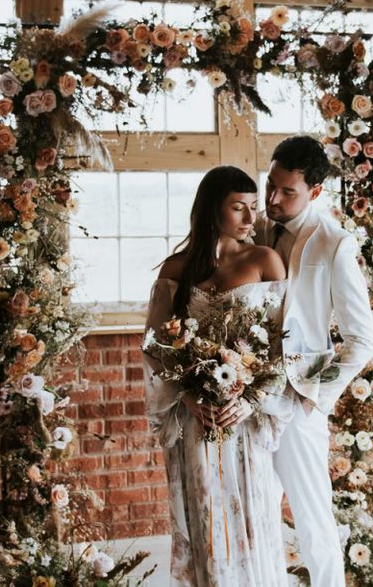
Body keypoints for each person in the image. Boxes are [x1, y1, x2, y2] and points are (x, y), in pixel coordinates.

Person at [143, 165, 291, 586]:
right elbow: (156, 346)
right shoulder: (176, 269)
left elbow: (282, 345)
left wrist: (250, 400)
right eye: (238, 208)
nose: (250, 219)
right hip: (197, 418)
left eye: (253, 208)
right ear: (212, 210)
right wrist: (185, 397)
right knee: (205, 512)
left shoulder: (265, 261)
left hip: (245, 419)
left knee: (252, 512)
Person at [253, 135, 373, 587]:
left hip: (298, 400)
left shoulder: (334, 244)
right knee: (256, 512)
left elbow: (362, 339)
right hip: (247, 398)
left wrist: (317, 394)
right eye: (271, 185)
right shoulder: (253, 228)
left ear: (315, 192)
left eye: (288, 192)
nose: (273, 198)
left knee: (312, 515)